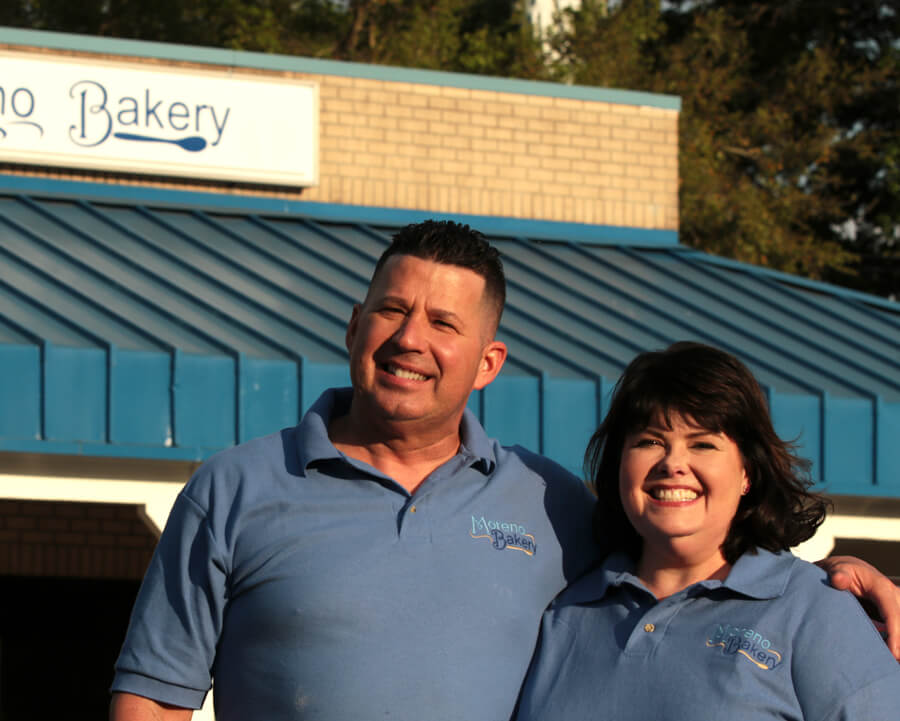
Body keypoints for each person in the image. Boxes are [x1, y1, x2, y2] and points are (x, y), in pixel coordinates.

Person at [111, 223, 900, 721]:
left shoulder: (549, 502)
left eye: (444, 322)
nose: (410, 338)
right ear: (355, 324)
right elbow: (151, 698)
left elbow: (694, 551)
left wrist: (832, 582)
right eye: (391, 310)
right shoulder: (236, 487)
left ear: (488, 362)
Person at [515, 342, 900, 721]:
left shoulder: (813, 609)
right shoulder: (563, 611)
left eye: (702, 444)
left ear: (747, 472)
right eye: (650, 441)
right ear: (619, 465)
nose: (673, 463)